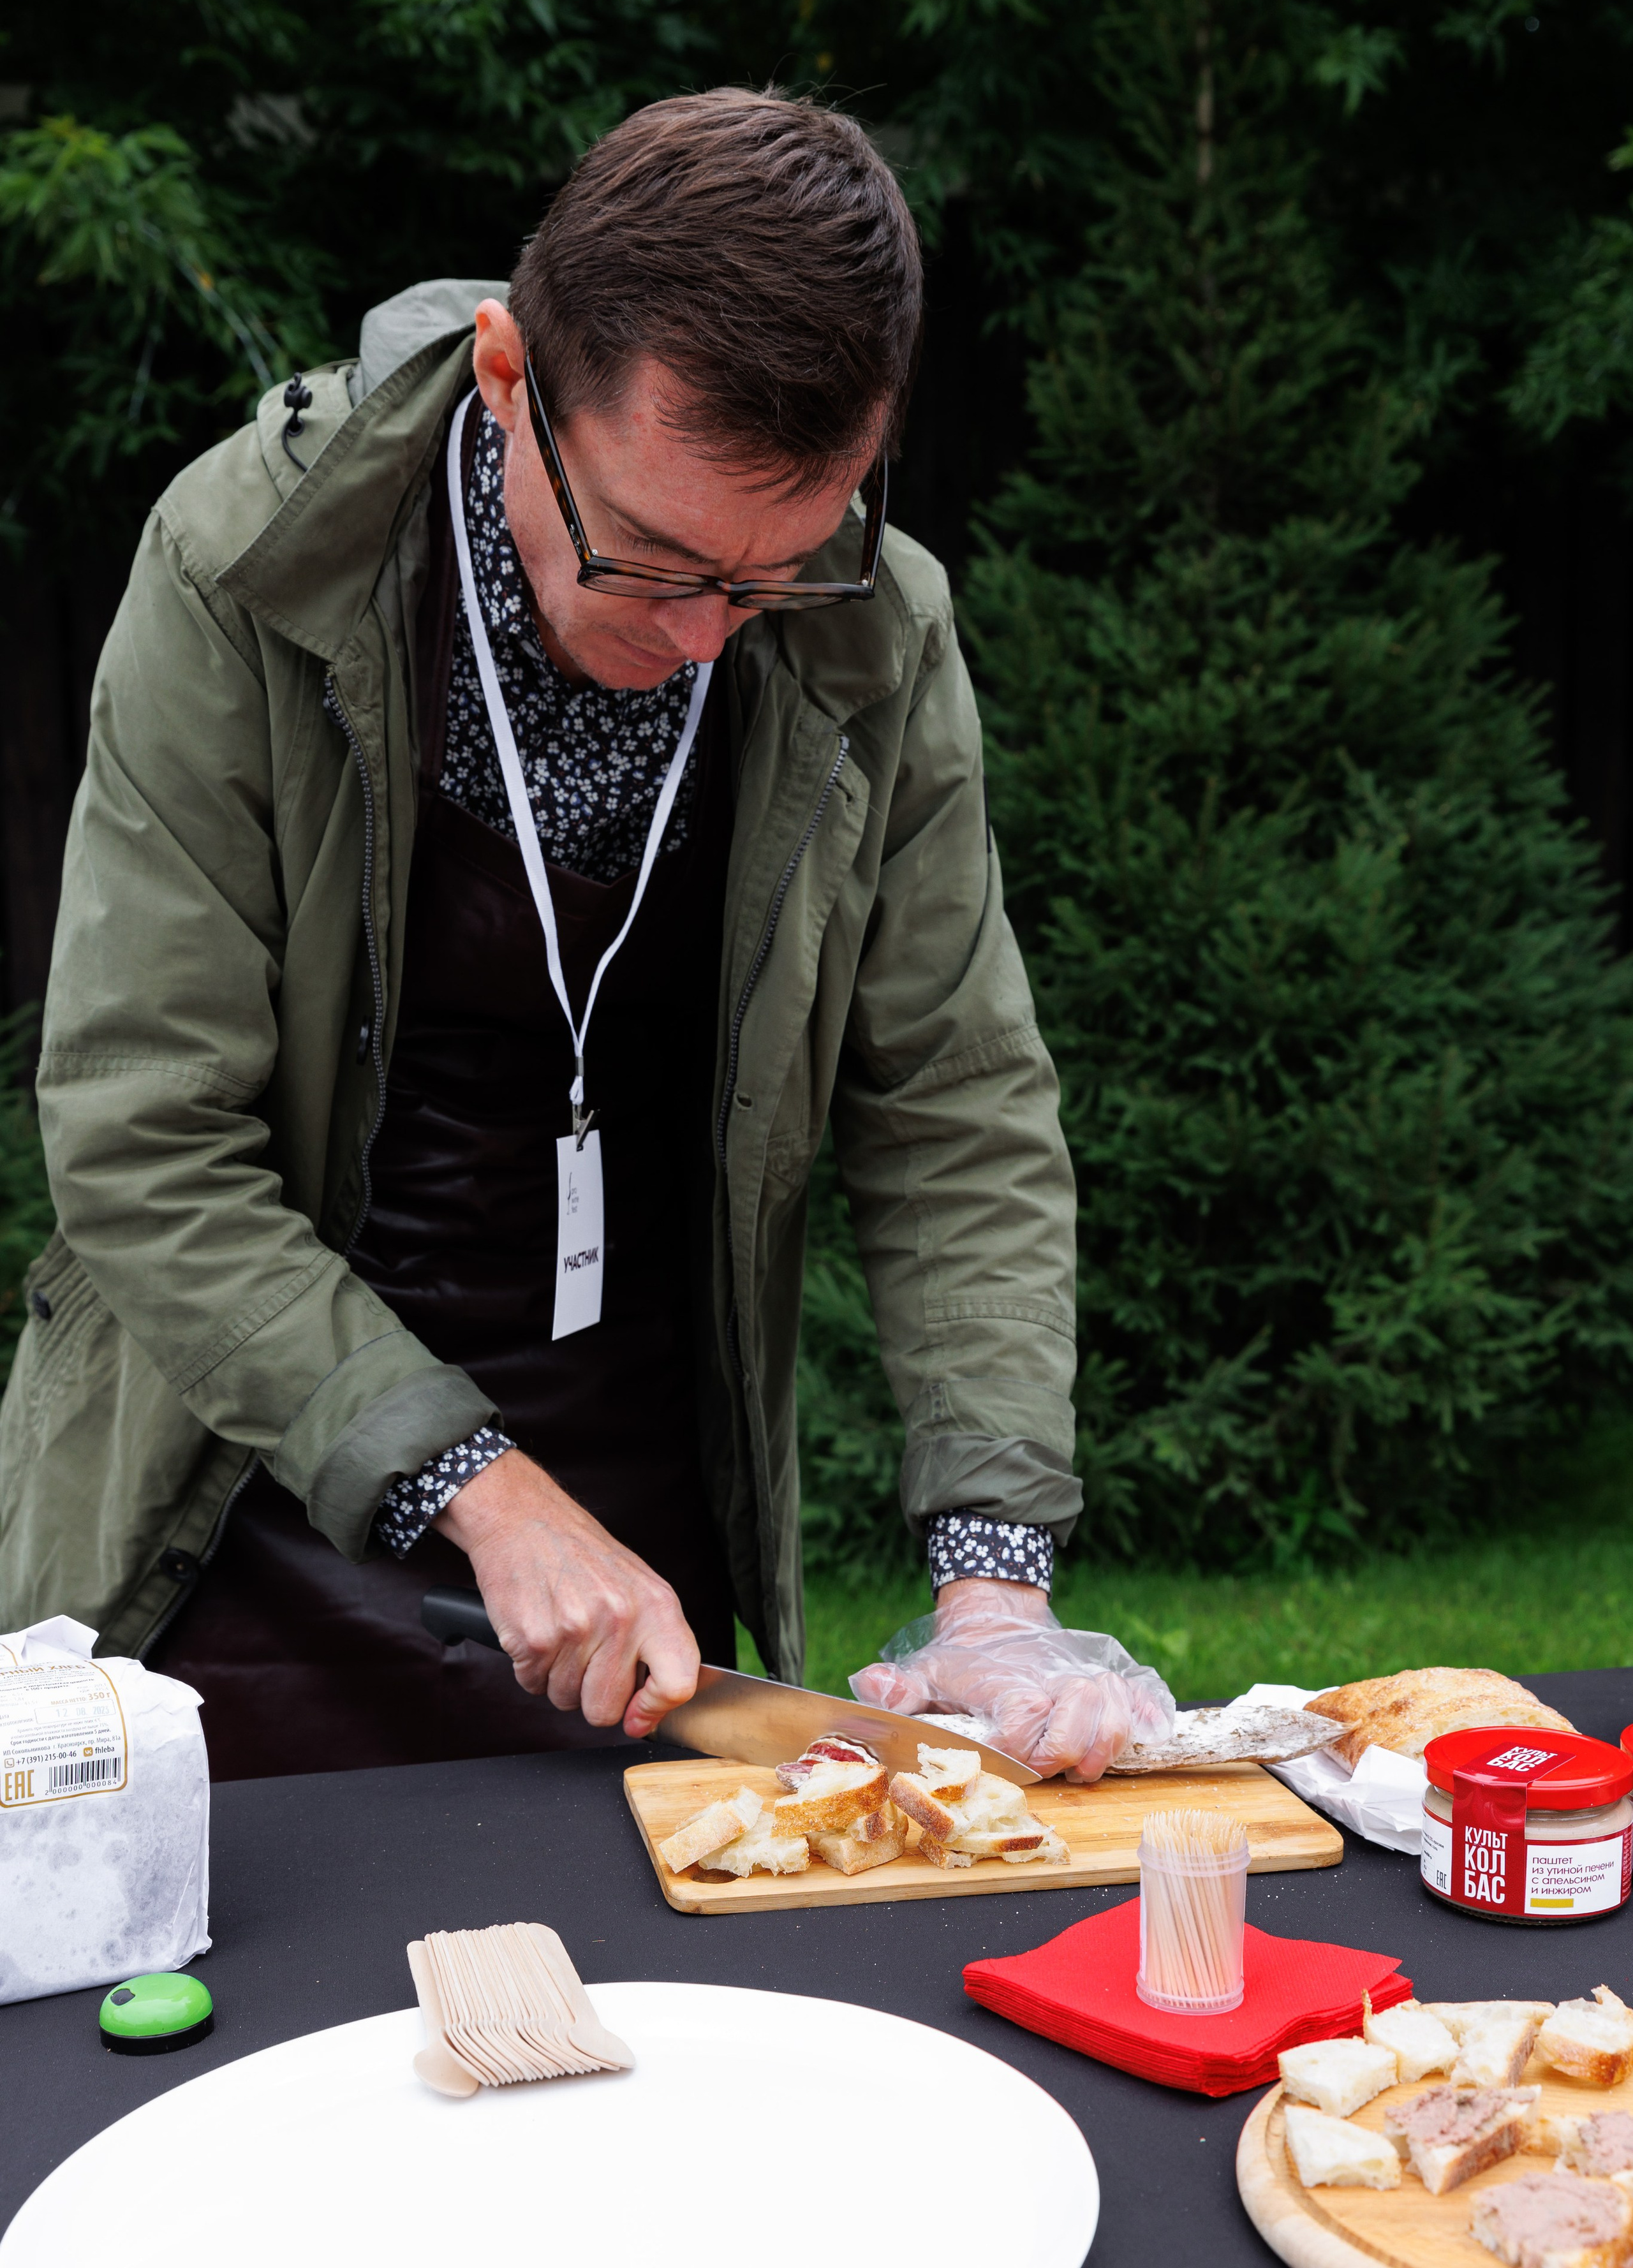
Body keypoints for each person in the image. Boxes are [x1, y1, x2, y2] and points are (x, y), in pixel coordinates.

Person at [0, 89, 1082, 1778]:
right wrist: (488, 1500)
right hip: (244, 1515)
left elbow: (959, 1114)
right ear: (512, 380)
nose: (716, 641)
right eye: (650, 564)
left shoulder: (880, 636)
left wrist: (996, 1584)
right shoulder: (241, 571)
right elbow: (148, 1153)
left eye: (776, 570)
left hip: (638, 1565)